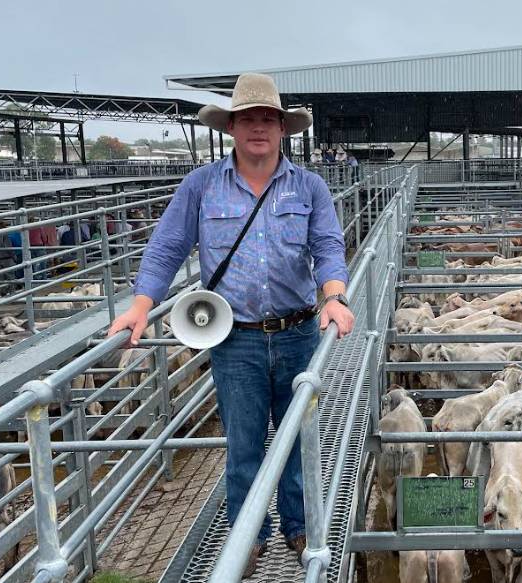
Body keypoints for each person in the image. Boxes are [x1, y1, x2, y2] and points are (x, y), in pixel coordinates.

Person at [107, 72, 354, 577]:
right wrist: (139, 304)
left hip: (298, 331)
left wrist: (334, 296)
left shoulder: (309, 186)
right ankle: (249, 534)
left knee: (298, 435)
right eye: (248, 119)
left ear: (283, 128)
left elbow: (328, 246)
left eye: (267, 118)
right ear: (231, 128)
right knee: (243, 443)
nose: (258, 127)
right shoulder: (201, 185)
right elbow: (167, 247)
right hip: (234, 337)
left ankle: (299, 524)